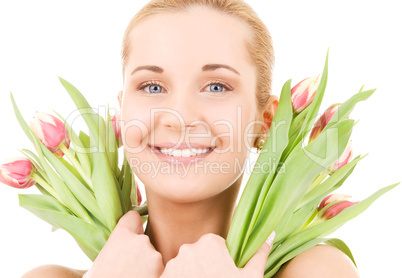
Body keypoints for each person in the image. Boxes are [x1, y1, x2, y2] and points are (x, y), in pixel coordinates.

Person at [21, 0, 360, 277]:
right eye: (152, 87)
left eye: (216, 87)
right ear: (123, 113)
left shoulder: (316, 271)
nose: (179, 117)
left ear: (266, 122)